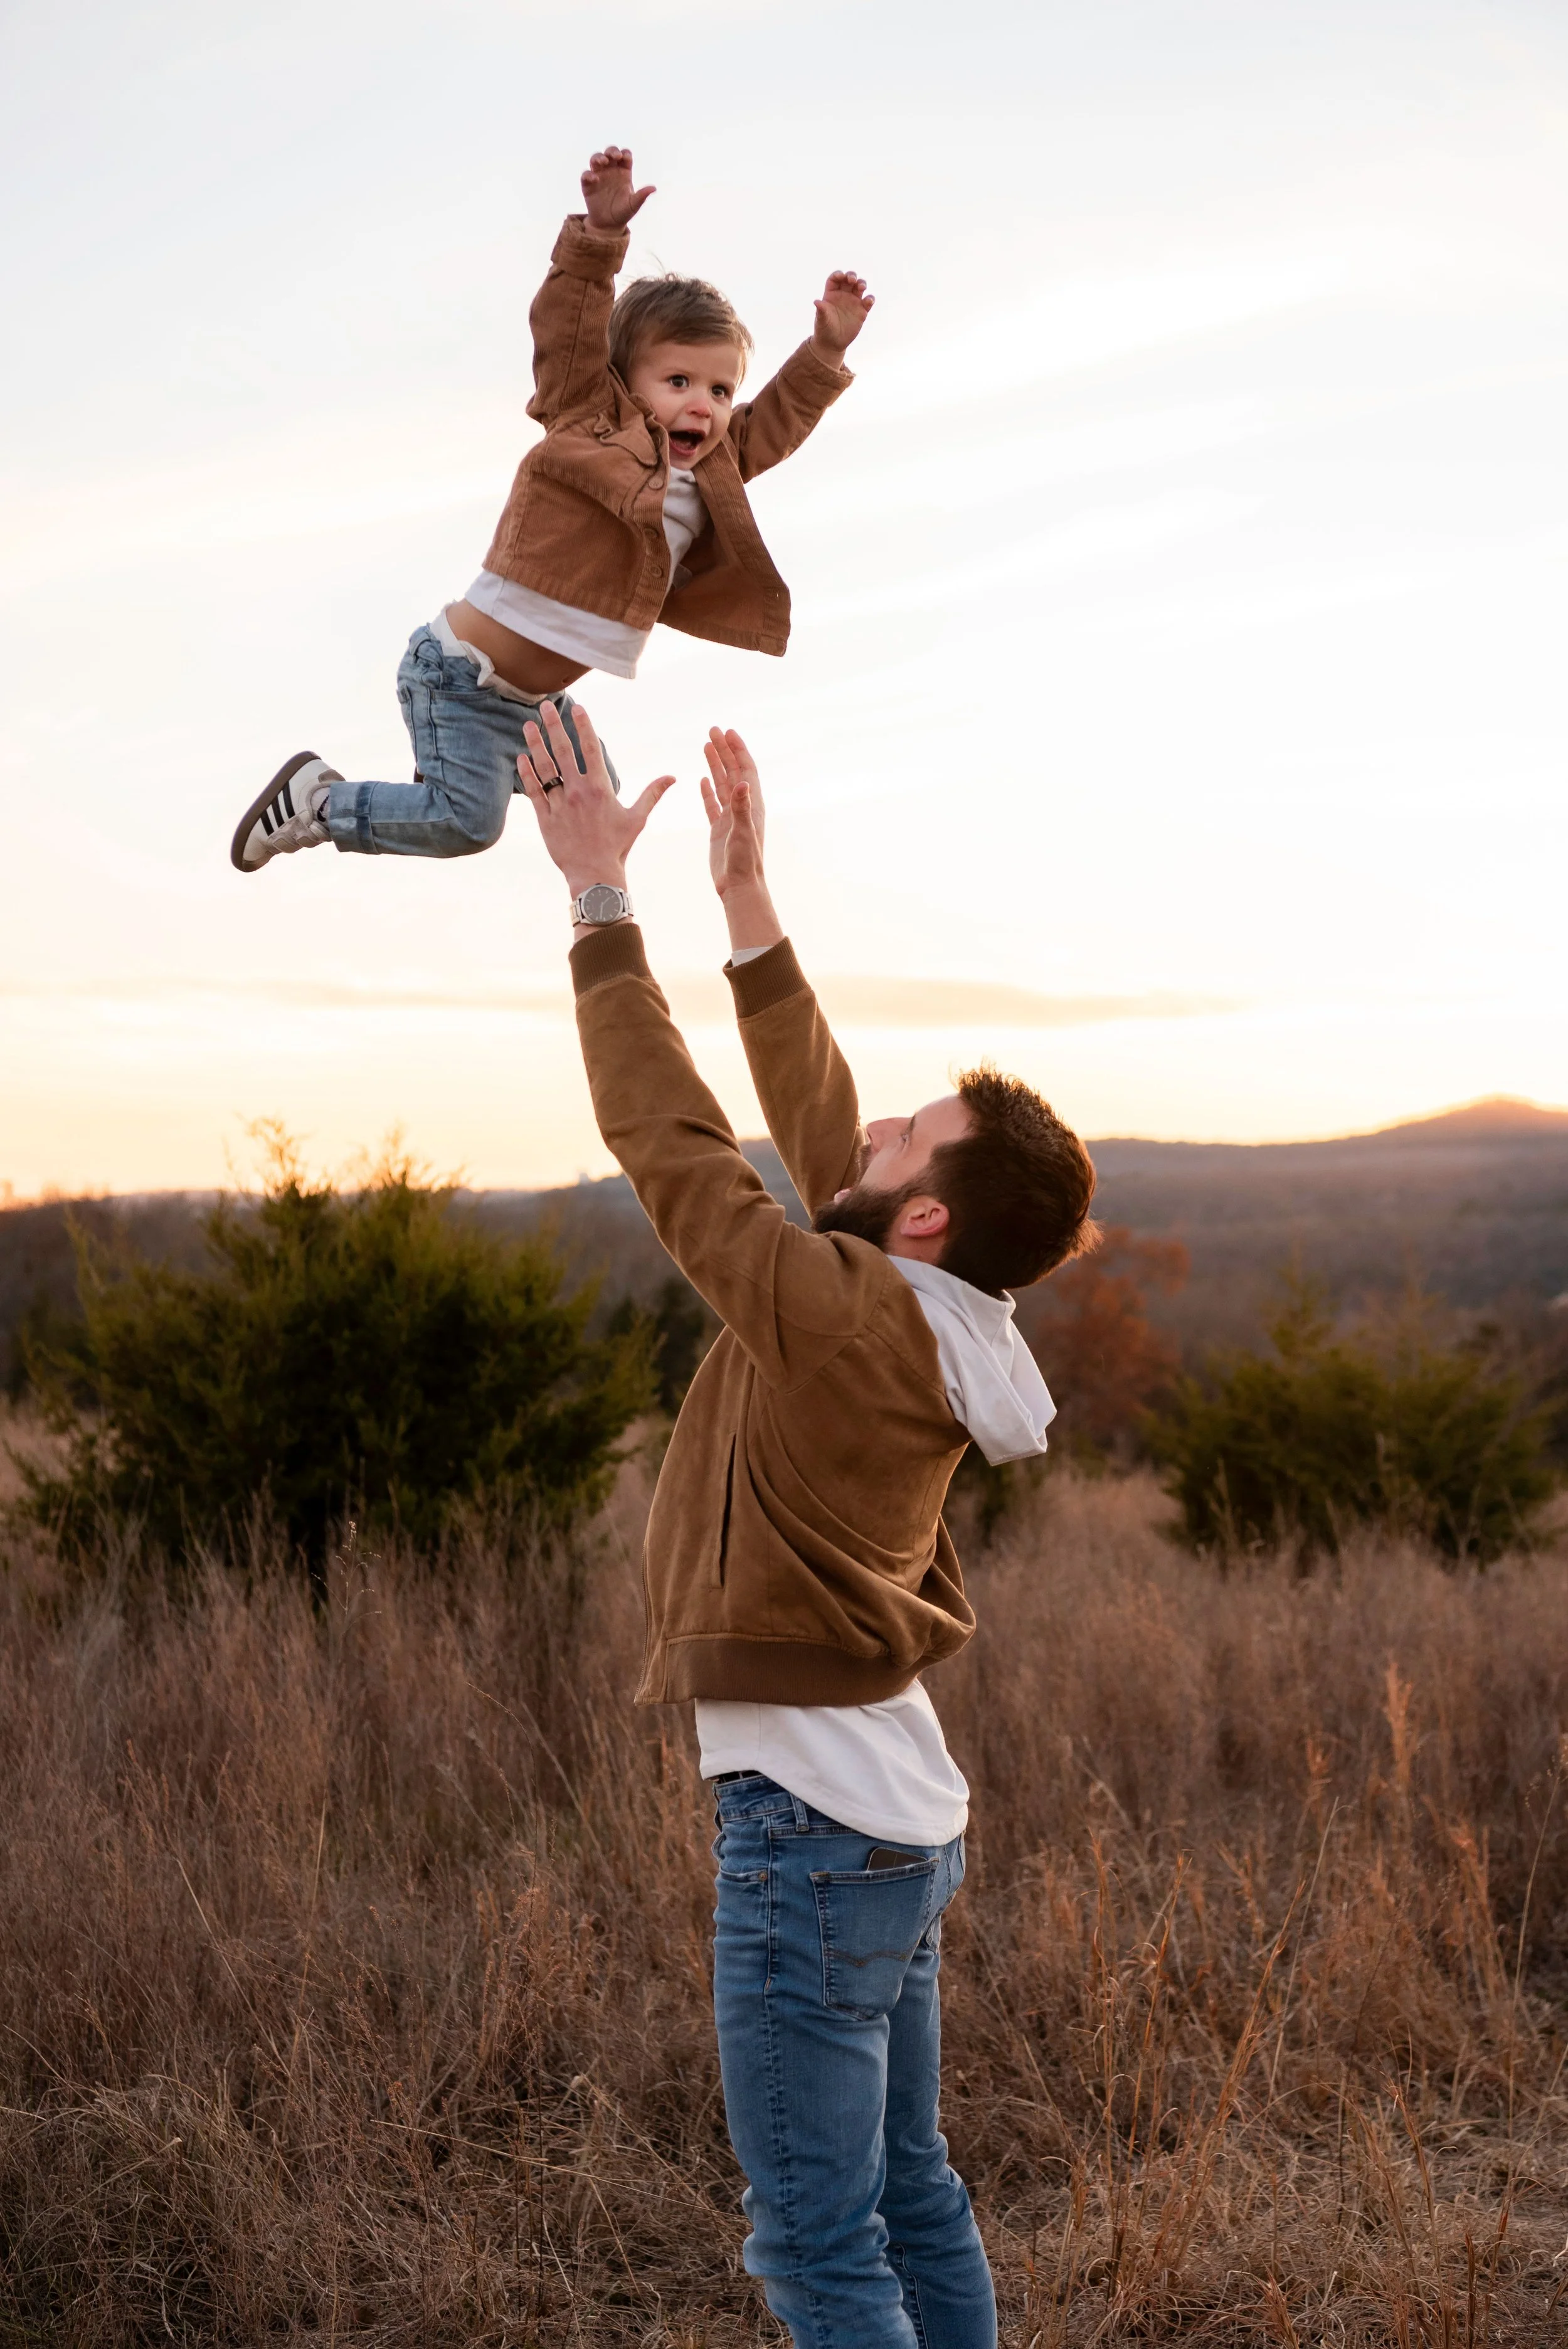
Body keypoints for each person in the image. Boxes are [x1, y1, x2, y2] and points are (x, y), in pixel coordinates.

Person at [513, 700, 1098, 2349]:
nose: (867, 1132)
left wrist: (598, 903)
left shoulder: (845, 1314)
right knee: (912, 2194)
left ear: (922, 1215)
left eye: (904, 1139)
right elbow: (822, 1124)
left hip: (811, 1839)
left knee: (820, 2251)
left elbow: (677, 1150)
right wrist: (745, 898)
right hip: (895, 1825)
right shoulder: (945, 1312)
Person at [231, 144, 872, 873]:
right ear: (622, 381)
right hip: (462, 677)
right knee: (467, 825)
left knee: (597, 802)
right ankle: (320, 802)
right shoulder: (589, 418)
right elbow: (569, 330)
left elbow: (777, 421)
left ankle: (450, 771)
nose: (704, 405)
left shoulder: (714, 466)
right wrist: (599, 239)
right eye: (679, 381)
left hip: (538, 704)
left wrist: (825, 352)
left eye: (721, 391)